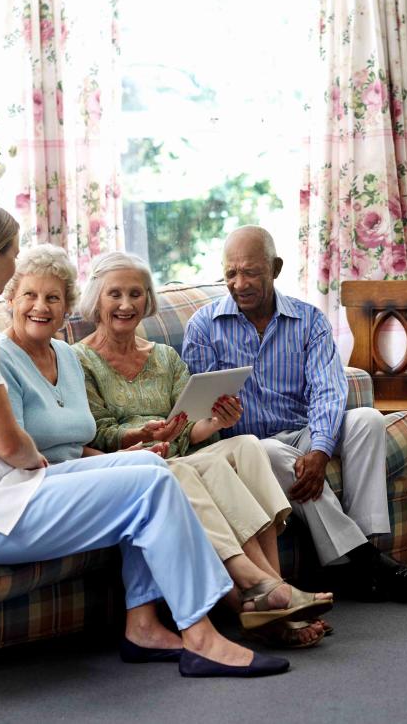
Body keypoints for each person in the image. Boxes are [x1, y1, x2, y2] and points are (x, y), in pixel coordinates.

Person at [0, 201, 286, 677]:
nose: (17, 264)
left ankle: (142, 627)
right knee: (148, 483)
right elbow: (8, 445)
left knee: (149, 467)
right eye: (15, 254)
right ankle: (202, 635)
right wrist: (47, 464)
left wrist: (81, 462)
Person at [67, 251, 332, 649]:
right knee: (187, 469)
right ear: (96, 300)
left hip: (180, 452)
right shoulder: (78, 359)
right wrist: (142, 434)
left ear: (147, 300)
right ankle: (267, 602)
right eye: (115, 294)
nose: (126, 305)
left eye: (136, 294)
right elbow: (98, 433)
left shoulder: (164, 355)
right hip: (137, 462)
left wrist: (218, 422)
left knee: (244, 446)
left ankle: (274, 593)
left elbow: (191, 427)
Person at [182, 226, 407, 603]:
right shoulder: (203, 327)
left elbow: (329, 388)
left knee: (367, 421)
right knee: (268, 452)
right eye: (231, 273)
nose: (239, 283)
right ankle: (365, 563)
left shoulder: (309, 321)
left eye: (250, 272)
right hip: (249, 445)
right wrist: (217, 418)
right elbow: (199, 413)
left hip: (303, 430)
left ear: (275, 269)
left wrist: (321, 448)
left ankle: (360, 549)